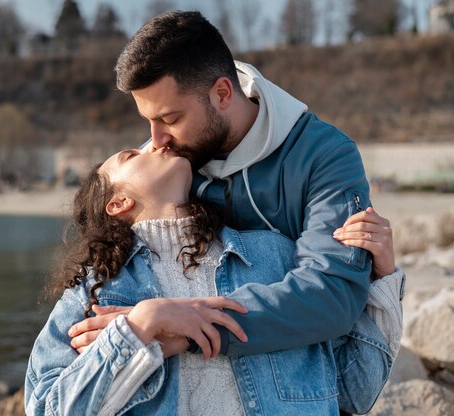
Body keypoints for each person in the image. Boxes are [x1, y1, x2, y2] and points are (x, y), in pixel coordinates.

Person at [69, 10, 400, 365]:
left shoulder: (324, 155)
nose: (155, 140)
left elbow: (331, 296)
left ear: (223, 93)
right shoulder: (167, 165)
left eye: (169, 119)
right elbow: (105, 247)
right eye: (148, 121)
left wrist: (188, 327)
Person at [25, 147, 404, 415]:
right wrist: (142, 324)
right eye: (131, 155)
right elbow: (46, 408)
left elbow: (357, 390)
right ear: (118, 203)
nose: (156, 141)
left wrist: (382, 278)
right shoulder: (98, 289)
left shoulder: (275, 255)